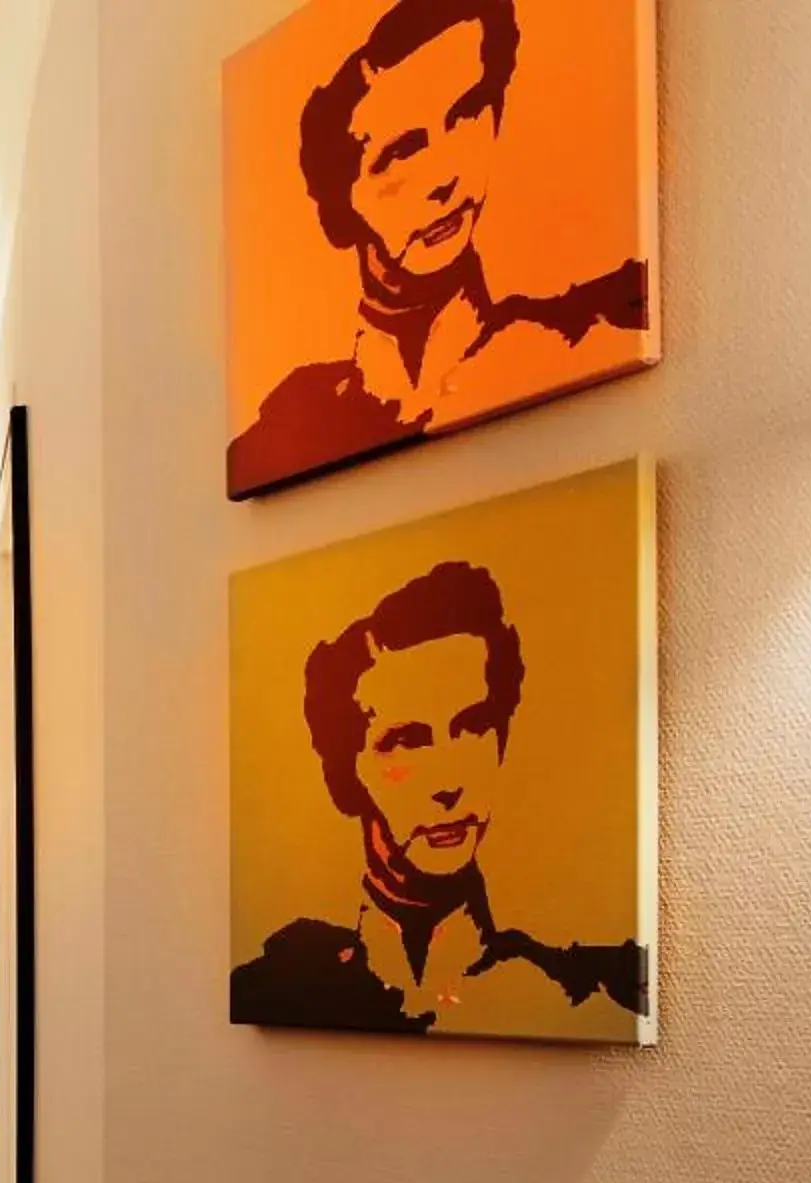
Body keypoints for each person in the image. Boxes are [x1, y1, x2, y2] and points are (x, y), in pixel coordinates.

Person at [227, 0, 650, 497]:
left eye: (467, 111)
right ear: (340, 207)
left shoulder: (594, 327)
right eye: (401, 152)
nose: (447, 176)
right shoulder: (280, 431)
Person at [231, 560, 642, 1037]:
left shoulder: (584, 994)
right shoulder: (275, 987)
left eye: (473, 727)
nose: (449, 782)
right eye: (406, 742)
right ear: (346, 773)